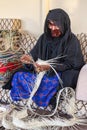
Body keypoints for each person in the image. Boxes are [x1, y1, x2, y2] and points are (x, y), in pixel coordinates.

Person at [2, 8, 85, 108]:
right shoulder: (44, 38)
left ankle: (42, 99)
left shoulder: (72, 41)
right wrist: (28, 60)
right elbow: (33, 55)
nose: (52, 28)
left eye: (56, 25)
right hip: (40, 72)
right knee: (18, 76)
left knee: (50, 81)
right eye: (50, 24)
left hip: (59, 73)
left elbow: (73, 64)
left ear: (64, 24)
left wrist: (49, 67)